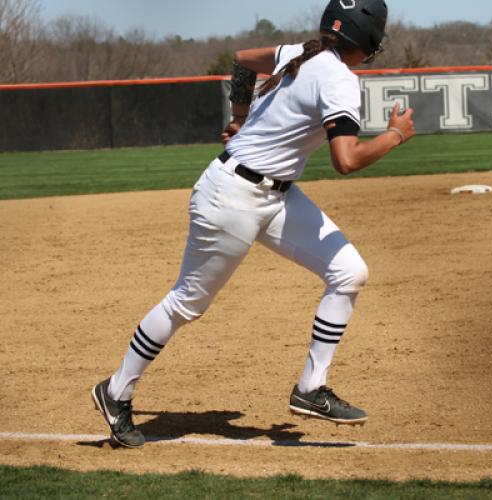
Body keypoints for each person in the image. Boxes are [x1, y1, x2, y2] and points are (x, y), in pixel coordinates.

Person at [92, 0, 415, 448]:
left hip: (275, 196)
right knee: (188, 303)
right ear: (369, 41)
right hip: (232, 199)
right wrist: (395, 135)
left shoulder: (300, 53)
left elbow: (240, 60)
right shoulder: (337, 76)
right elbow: (346, 160)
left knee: (349, 272)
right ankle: (114, 391)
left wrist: (239, 116)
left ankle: (310, 389)